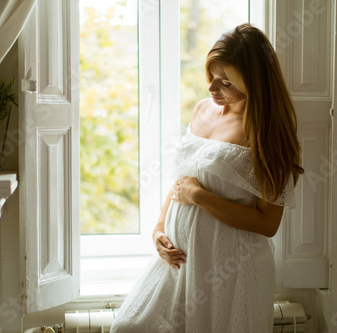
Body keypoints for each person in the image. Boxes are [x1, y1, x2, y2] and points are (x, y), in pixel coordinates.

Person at [111, 23, 303, 333]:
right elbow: (183, 178)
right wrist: (159, 229)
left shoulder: (267, 132)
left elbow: (268, 223)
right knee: (129, 327)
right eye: (211, 77)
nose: (212, 89)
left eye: (225, 82)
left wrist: (200, 197)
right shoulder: (203, 110)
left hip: (232, 269)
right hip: (180, 260)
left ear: (255, 84)